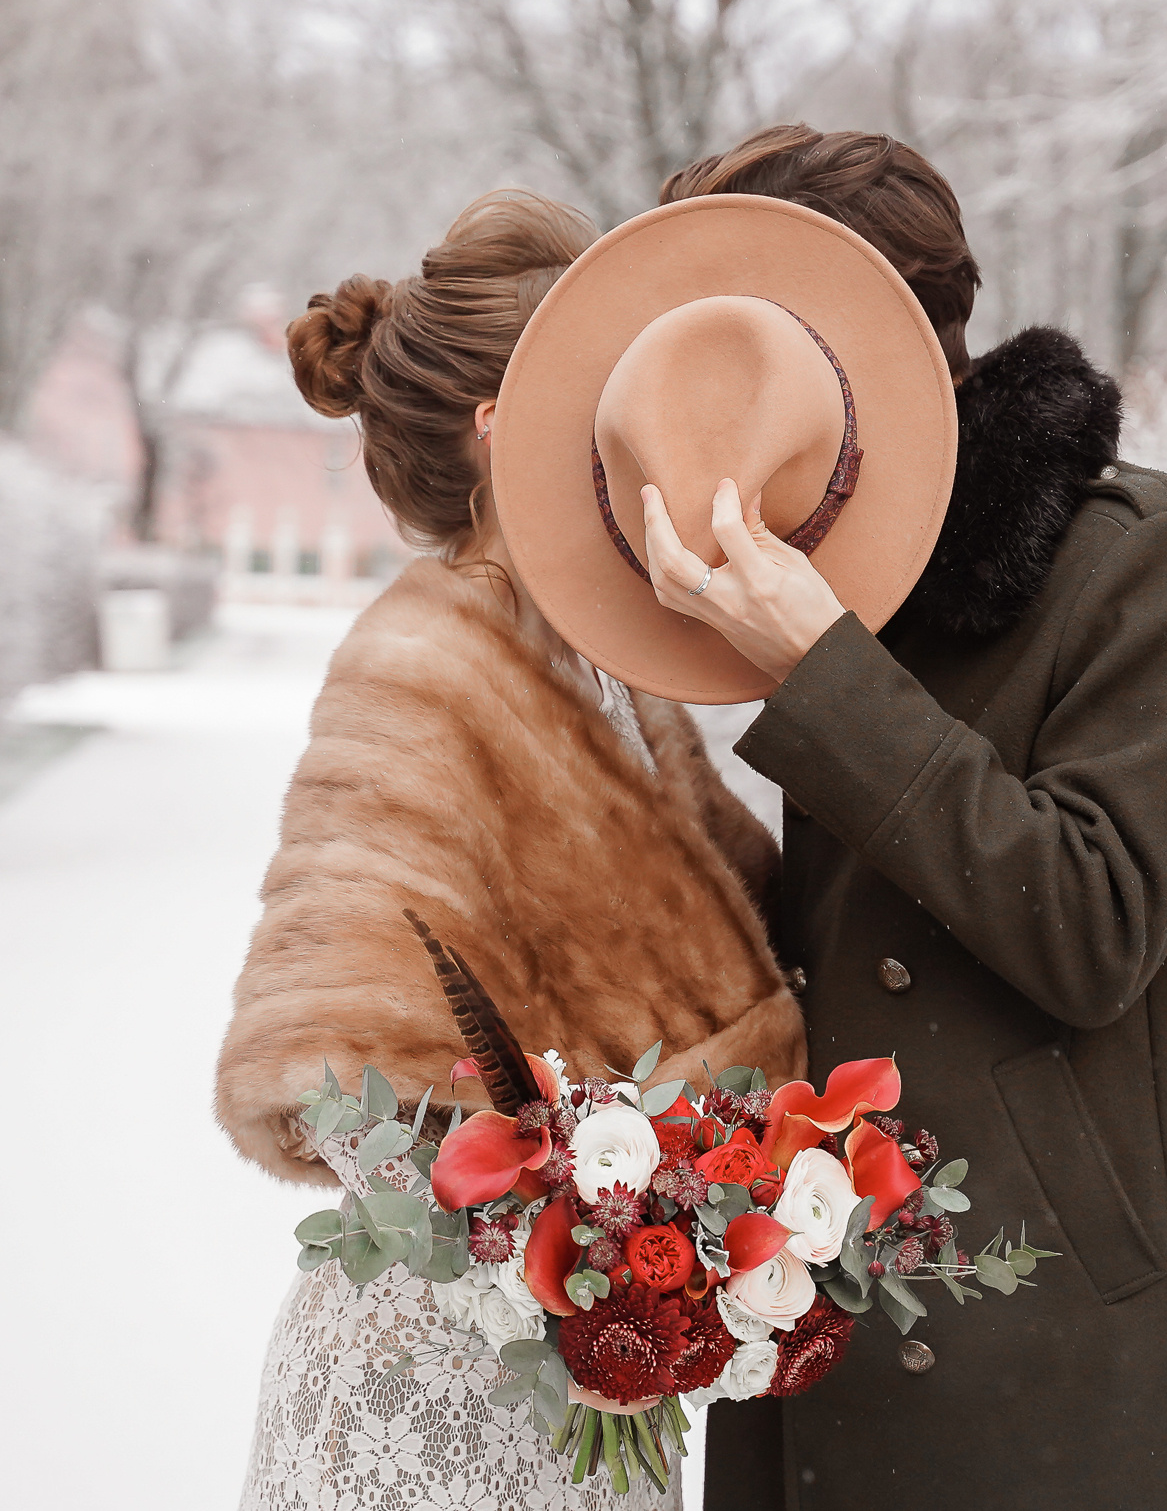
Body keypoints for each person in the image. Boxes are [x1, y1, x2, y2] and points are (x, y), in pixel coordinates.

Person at [641, 127, 1167, 1509]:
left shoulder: (1160, 566)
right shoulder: (826, 585)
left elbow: (1092, 926)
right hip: (817, 1330)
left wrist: (826, 675)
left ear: (880, 343)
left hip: (1076, 1370)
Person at [212, 189, 805, 1511]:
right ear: (501, 430)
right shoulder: (418, 665)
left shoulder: (620, 673)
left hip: (600, 1386)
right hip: (434, 1413)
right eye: (608, 399)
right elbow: (351, 1088)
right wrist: (591, 1217)